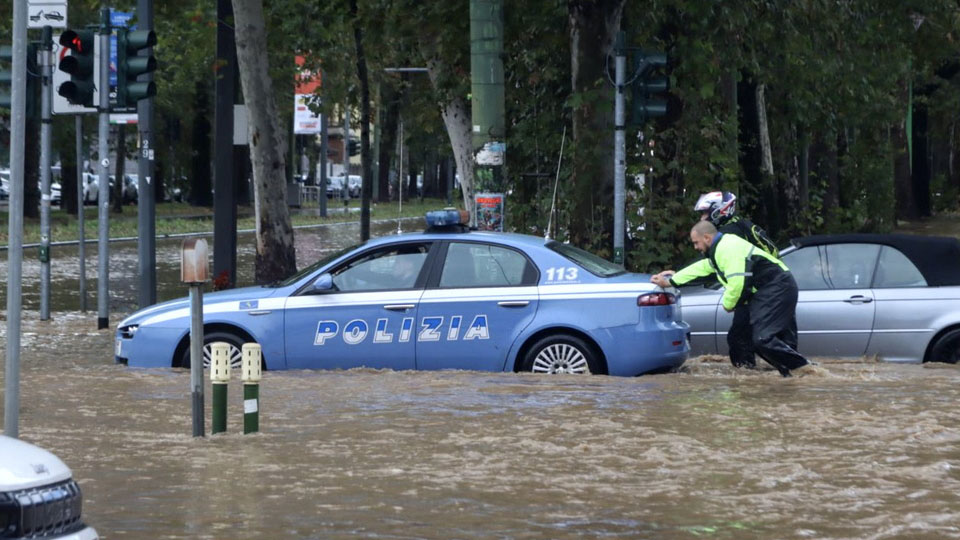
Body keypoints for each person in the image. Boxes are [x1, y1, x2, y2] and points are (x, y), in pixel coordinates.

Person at [651, 221, 812, 377]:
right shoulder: (718, 250)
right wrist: (672, 280)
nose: (696, 247)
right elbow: (702, 268)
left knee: (763, 339)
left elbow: (737, 284)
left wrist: (728, 304)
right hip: (760, 293)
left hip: (777, 288)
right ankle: (751, 378)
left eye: (696, 243)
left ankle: (804, 369)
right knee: (738, 338)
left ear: (707, 238)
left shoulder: (728, 248)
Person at [689, 191, 777, 369]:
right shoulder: (742, 225)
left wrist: (678, 277)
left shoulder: (728, 234)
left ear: (718, 211)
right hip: (766, 290)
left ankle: (746, 382)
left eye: (704, 213)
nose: (702, 218)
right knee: (759, 340)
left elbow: (711, 266)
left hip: (753, 293)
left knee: (739, 339)